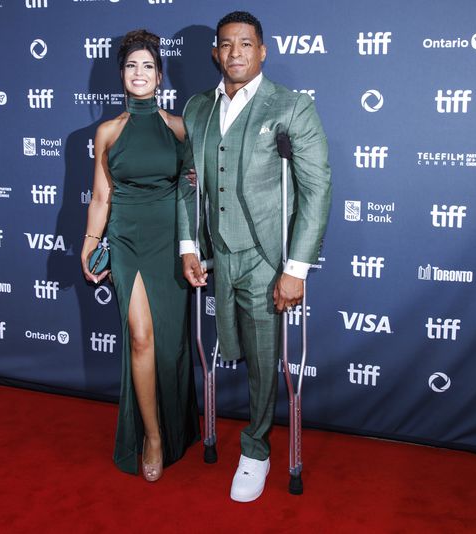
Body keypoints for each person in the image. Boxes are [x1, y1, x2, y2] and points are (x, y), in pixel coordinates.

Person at [176, 11, 331, 501]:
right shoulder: (198, 108)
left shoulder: (290, 107)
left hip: (268, 256)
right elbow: (188, 182)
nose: (236, 52)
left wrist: (296, 267)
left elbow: (316, 187)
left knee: (267, 358)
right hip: (218, 252)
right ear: (215, 53)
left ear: (262, 51)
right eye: (226, 44)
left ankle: (256, 450)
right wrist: (188, 244)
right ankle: (228, 432)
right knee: (227, 346)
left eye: (246, 44)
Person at [81, 29, 200, 482]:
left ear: (160, 75)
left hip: (170, 239)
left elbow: (191, 191)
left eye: (148, 66)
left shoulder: (177, 127)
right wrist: (91, 242)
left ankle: (177, 425)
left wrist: (194, 245)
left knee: (169, 346)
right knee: (140, 337)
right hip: (126, 237)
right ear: (121, 75)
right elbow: (100, 194)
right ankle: (151, 436)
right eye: (132, 66)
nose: (139, 73)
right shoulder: (108, 131)